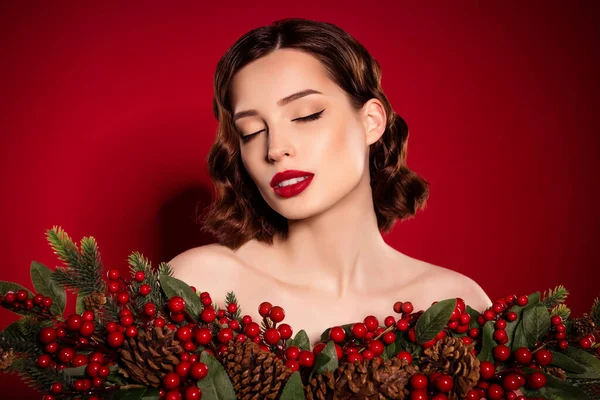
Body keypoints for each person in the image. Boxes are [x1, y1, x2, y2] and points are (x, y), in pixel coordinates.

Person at [169, 17, 492, 346]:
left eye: (306, 115)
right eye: (251, 132)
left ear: (370, 121)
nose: (276, 148)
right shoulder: (201, 285)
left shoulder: (455, 305)